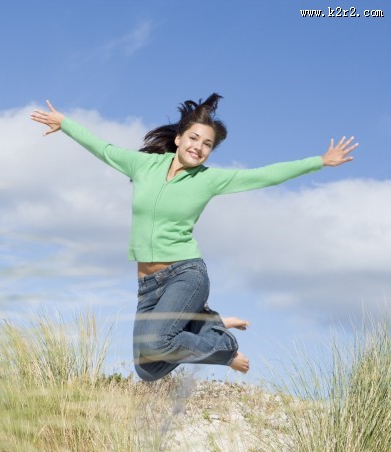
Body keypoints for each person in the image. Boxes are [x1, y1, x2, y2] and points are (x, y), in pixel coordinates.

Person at [30, 94, 357, 381]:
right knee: (147, 368)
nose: (198, 147)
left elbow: (263, 176)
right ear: (178, 139)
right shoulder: (143, 166)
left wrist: (319, 162)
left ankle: (223, 347)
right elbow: (103, 148)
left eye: (207, 144)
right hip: (147, 286)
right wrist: (66, 123)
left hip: (185, 273)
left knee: (157, 343)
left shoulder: (209, 180)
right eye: (194, 138)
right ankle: (208, 322)